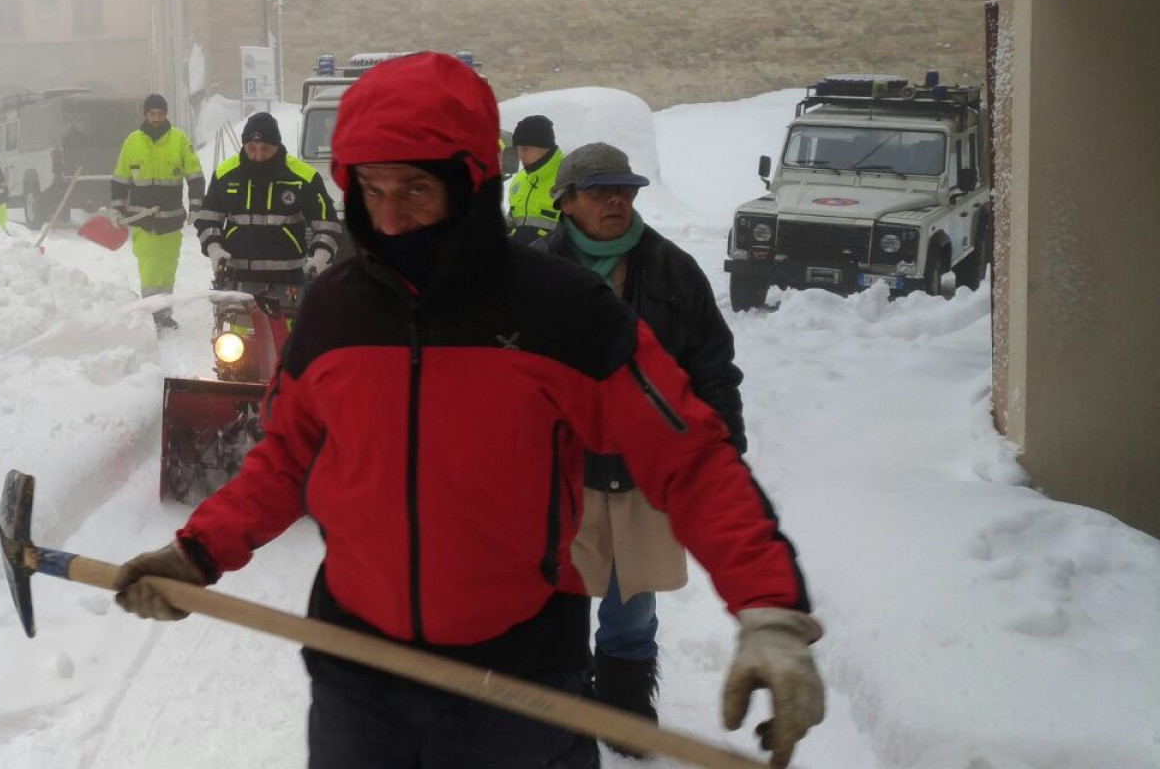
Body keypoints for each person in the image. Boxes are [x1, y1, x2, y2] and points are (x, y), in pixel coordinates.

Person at [110, 53, 822, 769]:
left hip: (521, 682)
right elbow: (289, 456)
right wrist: (199, 550)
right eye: (370, 186)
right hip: (357, 677)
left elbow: (691, 458)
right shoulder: (335, 310)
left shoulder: (562, 311)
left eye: (416, 188)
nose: (387, 216)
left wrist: (769, 610)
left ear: (472, 183)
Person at [538, 142, 748, 755]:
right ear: (566, 201)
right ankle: (570, 706)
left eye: (625, 190)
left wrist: (725, 447)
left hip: (642, 473)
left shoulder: (673, 270)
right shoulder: (532, 275)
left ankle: (626, 707)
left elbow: (713, 366)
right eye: (601, 191)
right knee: (564, 598)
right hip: (562, 476)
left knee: (632, 605)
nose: (617, 201)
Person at [194, 111, 343, 290]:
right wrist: (214, 248)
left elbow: (328, 225)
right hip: (237, 280)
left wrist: (321, 256)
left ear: (277, 146)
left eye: (265, 149)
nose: (257, 156)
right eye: (251, 148)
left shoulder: (304, 178)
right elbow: (207, 220)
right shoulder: (225, 175)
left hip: (289, 281)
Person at [112, 94, 205, 330]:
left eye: (160, 114)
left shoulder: (179, 140)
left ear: (166, 115)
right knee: (150, 268)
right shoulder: (132, 142)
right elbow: (120, 179)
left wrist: (196, 205)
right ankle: (154, 314)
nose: (156, 118)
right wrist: (117, 208)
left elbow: (195, 176)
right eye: (152, 114)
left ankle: (163, 313)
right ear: (145, 115)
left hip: (171, 220)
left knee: (167, 269)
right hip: (142, 221)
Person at [507, 113, 563, 246]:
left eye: (526, 149)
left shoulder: (567, 177)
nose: (521, 155)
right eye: (518, 149)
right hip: (518, 259)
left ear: (545, 146)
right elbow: (513, 221)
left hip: (555, 261)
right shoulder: (519, 179)